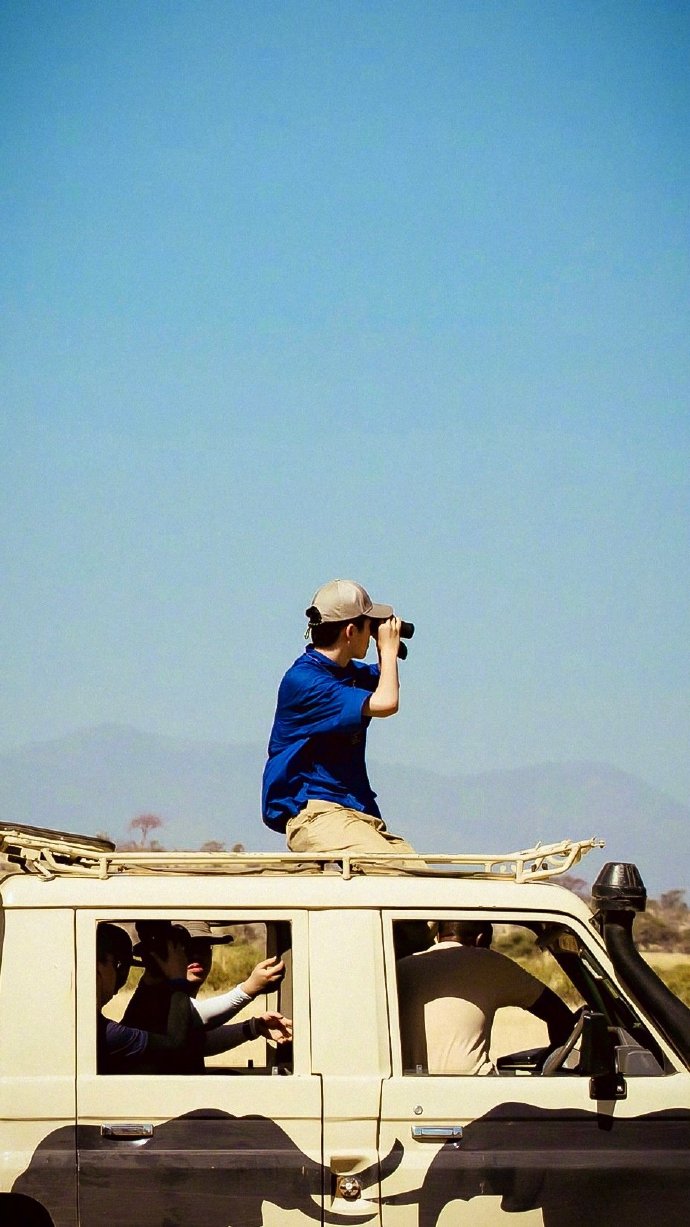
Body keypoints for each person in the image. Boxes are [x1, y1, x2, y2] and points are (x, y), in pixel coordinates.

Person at [262, 578, 416, 858]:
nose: (372, 634)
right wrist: (390, 651)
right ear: (350, 631)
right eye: (368, 626)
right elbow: (387, 702)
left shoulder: (347, 674)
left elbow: (384, 682)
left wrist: (385, 651)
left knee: (421, 879)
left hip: (356, 814)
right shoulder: (306, 681)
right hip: (317, 813)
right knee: (398, 873)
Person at [396, 920, 573, 1075]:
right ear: (481, 938)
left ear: (439, 936)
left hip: (412, 1093)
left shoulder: (401, 967)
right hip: (474, 1096)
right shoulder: (487, 961)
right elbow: (559, 1015)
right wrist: (553, 1063)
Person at [123, 920, 292, 1072]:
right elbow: (198, 1016)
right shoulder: (154, 993)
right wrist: (249, 989)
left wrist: (254, 1027)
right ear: (167, 953)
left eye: (204, 947)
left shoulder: (170, 993)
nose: (196, 956)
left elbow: (196, 1042)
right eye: (187, 948)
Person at [97, 923, 193, 1074]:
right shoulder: (103, 1032)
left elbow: (129, 1032)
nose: (121, 980)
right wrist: (178, 981)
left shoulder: (92, 1026)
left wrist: (149, 982)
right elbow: (175, 1046)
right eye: (119, 966)